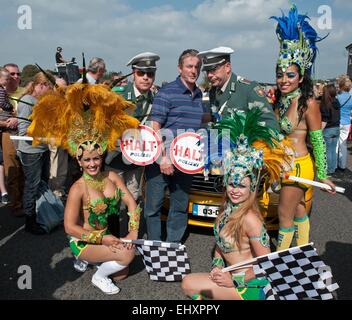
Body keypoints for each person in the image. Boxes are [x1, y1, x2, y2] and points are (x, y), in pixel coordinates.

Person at [27, 67, 140, 294]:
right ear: (79, 162)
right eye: (87, 160)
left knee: (123, 272)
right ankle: (98, 275)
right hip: (84, 241)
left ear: (102, 157)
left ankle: (101, 261)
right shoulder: (78, 187)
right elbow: (70, 227)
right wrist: (105, 240)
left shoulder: (113, 176)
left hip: (108, 238)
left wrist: (133, 233)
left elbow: (131, 204)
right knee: (127, 255)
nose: (92, 164)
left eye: (96, 158)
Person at [181, 107, 292, 300]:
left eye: (242, 185)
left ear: (252, 188)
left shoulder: (250, 220)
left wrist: (235, 281)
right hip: (231, 278)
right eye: (232, 183)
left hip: (249, 287)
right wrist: (217, 265)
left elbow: (267, 264)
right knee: (191, 284)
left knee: (189, 284)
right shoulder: (227, 210)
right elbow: (220, 246)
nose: (235, 190)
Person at [271, 5, 336, 251]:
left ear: (300, 77)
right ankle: (304, 253)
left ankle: (280, 262)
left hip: (298, 166)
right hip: (285, 165)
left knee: (284, 217)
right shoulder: (280, 101)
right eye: (280, 74)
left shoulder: (308, 103)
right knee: (299, 213)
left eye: (289, 75)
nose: (283, 80)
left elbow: (318, 140)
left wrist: (323, 175)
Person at [144, 49, 204, 243]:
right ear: (180, 68)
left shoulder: (199, 94)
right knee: (154, 207)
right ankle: (154, 245)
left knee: (179, 205)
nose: (193, 70)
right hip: (162, 160)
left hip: (185, 162)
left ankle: (172, 246)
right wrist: (163, 158)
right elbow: (155, 128)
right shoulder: (166, 92)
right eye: (189, 66)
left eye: (197, 67)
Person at [106, 52, 160, 236]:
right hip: (115, 156)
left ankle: (132, 236)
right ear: (133, 73)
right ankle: (112, 236)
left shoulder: (155, 99)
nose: (146, 78)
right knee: (112, 197)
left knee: (133, 195)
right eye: (141, 73)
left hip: (138, 157)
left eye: (150, 74)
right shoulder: (118, 95)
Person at [197, 47, 279, 130]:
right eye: (207, 71)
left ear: (227, 67)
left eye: (213, 70)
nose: (209, 75)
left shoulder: (248, 89)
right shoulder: (213, 92)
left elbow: (270, 124)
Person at [17, 72, 53, 234]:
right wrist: (46, 135)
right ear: (41, 85)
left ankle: (41, 216)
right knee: (32, 185)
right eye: (49, 87)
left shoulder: (40, 101)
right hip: (31, 152)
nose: (51, 91)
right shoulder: (27, 101)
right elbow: (23, 132)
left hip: (41, 149)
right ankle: (30, 222)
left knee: (42, 184)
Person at [2, 63, 24, 216]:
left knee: (25, 170)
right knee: (13, 170)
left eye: (18, 74)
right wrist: (6, 122)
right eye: (12, 74)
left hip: (26, 133)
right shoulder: (1, 94)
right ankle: (15, 204)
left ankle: (25, 201)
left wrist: (17, 119)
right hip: (8, 134)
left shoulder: (24, 93)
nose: (16, 77)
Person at [320, 84, 341, 175]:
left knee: (328, 151)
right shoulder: (337, 101)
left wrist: (319, 131)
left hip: (328, 129)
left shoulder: (326, 104)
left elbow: (325, 119)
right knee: (333, 150)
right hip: (337, 128)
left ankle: (328, 170)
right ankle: (332, 168)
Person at [336, 76, 352, 172]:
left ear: (341, 86)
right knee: (343, 144)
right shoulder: (351, 97)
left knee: (335, 144)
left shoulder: (338, 97)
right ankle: (342, 165)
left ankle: (334, 164)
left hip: (337, 121)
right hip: (347, 123)